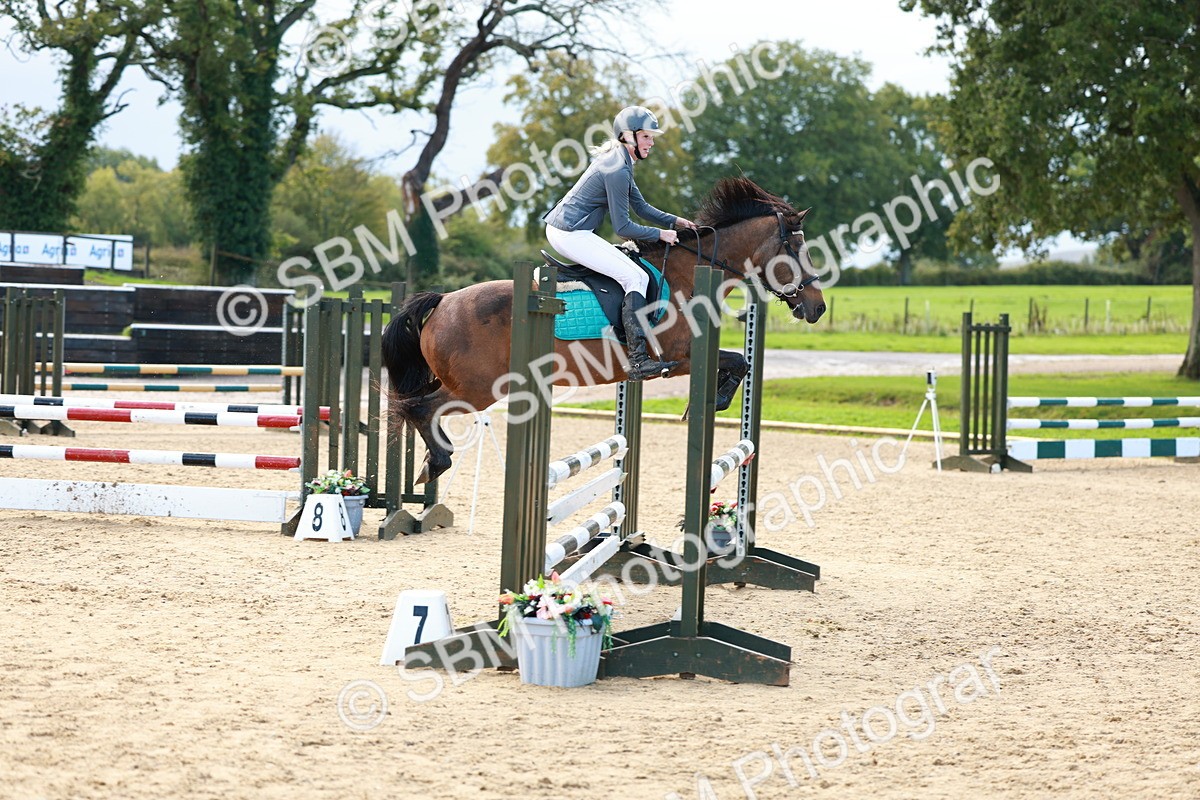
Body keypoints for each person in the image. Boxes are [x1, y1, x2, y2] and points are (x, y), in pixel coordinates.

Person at [543, 105, 698, 381]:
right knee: (635, 276)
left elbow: (641, 207)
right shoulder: (617, 169)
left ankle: (637, 354)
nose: (652, 142)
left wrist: (675, 221)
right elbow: (623, 227)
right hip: (568, 233)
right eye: (647, 137)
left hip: (573, 230)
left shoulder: (622, 161)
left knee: (634, 274)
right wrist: (660, 235)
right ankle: (638, 360)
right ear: (629, 136)